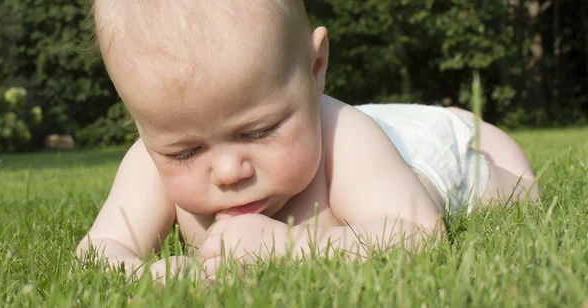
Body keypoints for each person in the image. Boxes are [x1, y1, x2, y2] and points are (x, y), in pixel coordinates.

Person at [77, 0, 539, 284]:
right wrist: (139, 273)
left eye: (258, 132)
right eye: (186, 152)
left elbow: (419, 234)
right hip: (356, 131)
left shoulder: (347, 138)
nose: (227, 170)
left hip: (418, 152)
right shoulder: (150, 161)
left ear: (315, 68)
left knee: (502, 187)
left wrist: (290, 247)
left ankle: (479, 134)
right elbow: (97, 251)